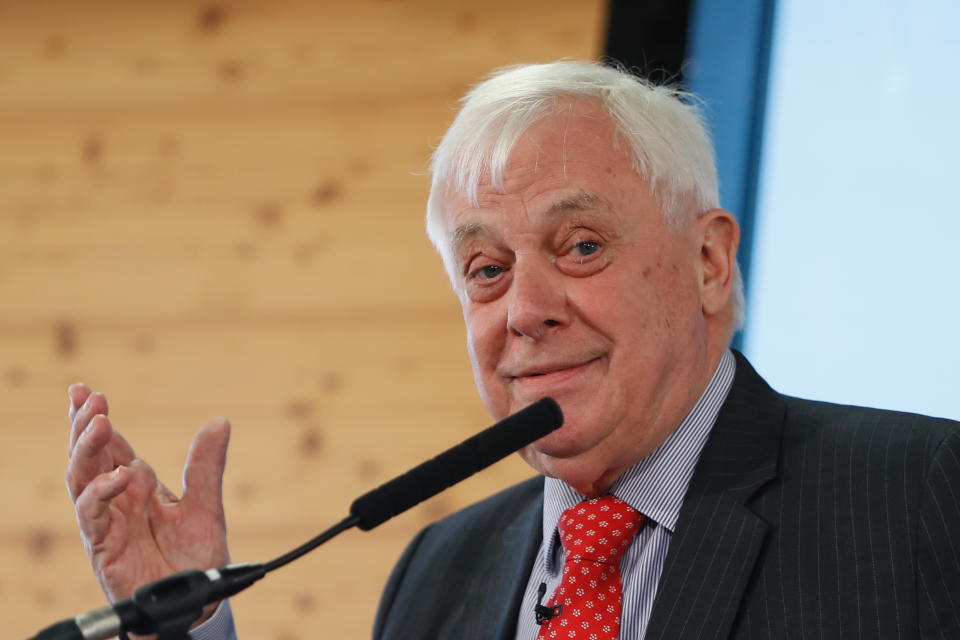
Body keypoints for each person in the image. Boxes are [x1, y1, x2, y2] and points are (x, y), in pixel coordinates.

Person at [64, 61, 960, 640]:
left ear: (707, 262)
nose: (525, 311)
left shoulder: (921, 497)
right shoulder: (436, 574)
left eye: (579, 247)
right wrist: (184, 624)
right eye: (486, 270)